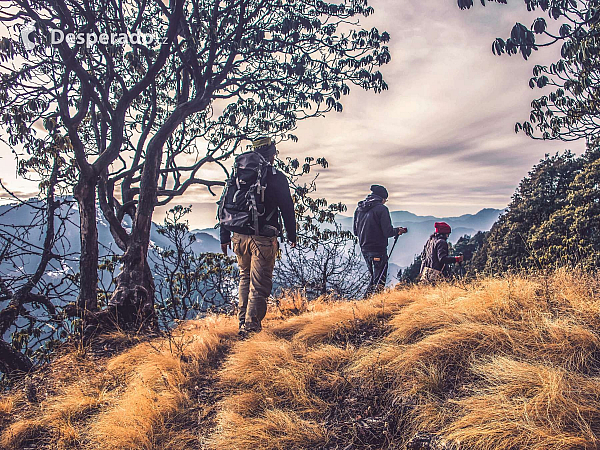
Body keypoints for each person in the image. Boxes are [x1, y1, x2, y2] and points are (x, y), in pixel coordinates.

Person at [220, 137, 296, 335]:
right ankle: (251, 329)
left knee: (245, 278)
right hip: (262, 238)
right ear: (271, 154)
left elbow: (225, 203)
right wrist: (291, 234)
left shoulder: (238, 174)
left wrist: (224, 236)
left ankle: (242, 323)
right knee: (259, 284)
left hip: (237, 235)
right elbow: (287, 207)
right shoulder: (275, 176)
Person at [353, 185, 407, 296]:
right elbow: (387, 232)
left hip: (364, 248)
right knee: (379, 281)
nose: (385, 202)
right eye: (385, 200)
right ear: (382, 198)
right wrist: (398, 231)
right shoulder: (382, 209)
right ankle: (374, 306)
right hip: (378, 249)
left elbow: (355, 232)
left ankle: (366, 304)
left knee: (374, 278)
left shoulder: (359, 208)